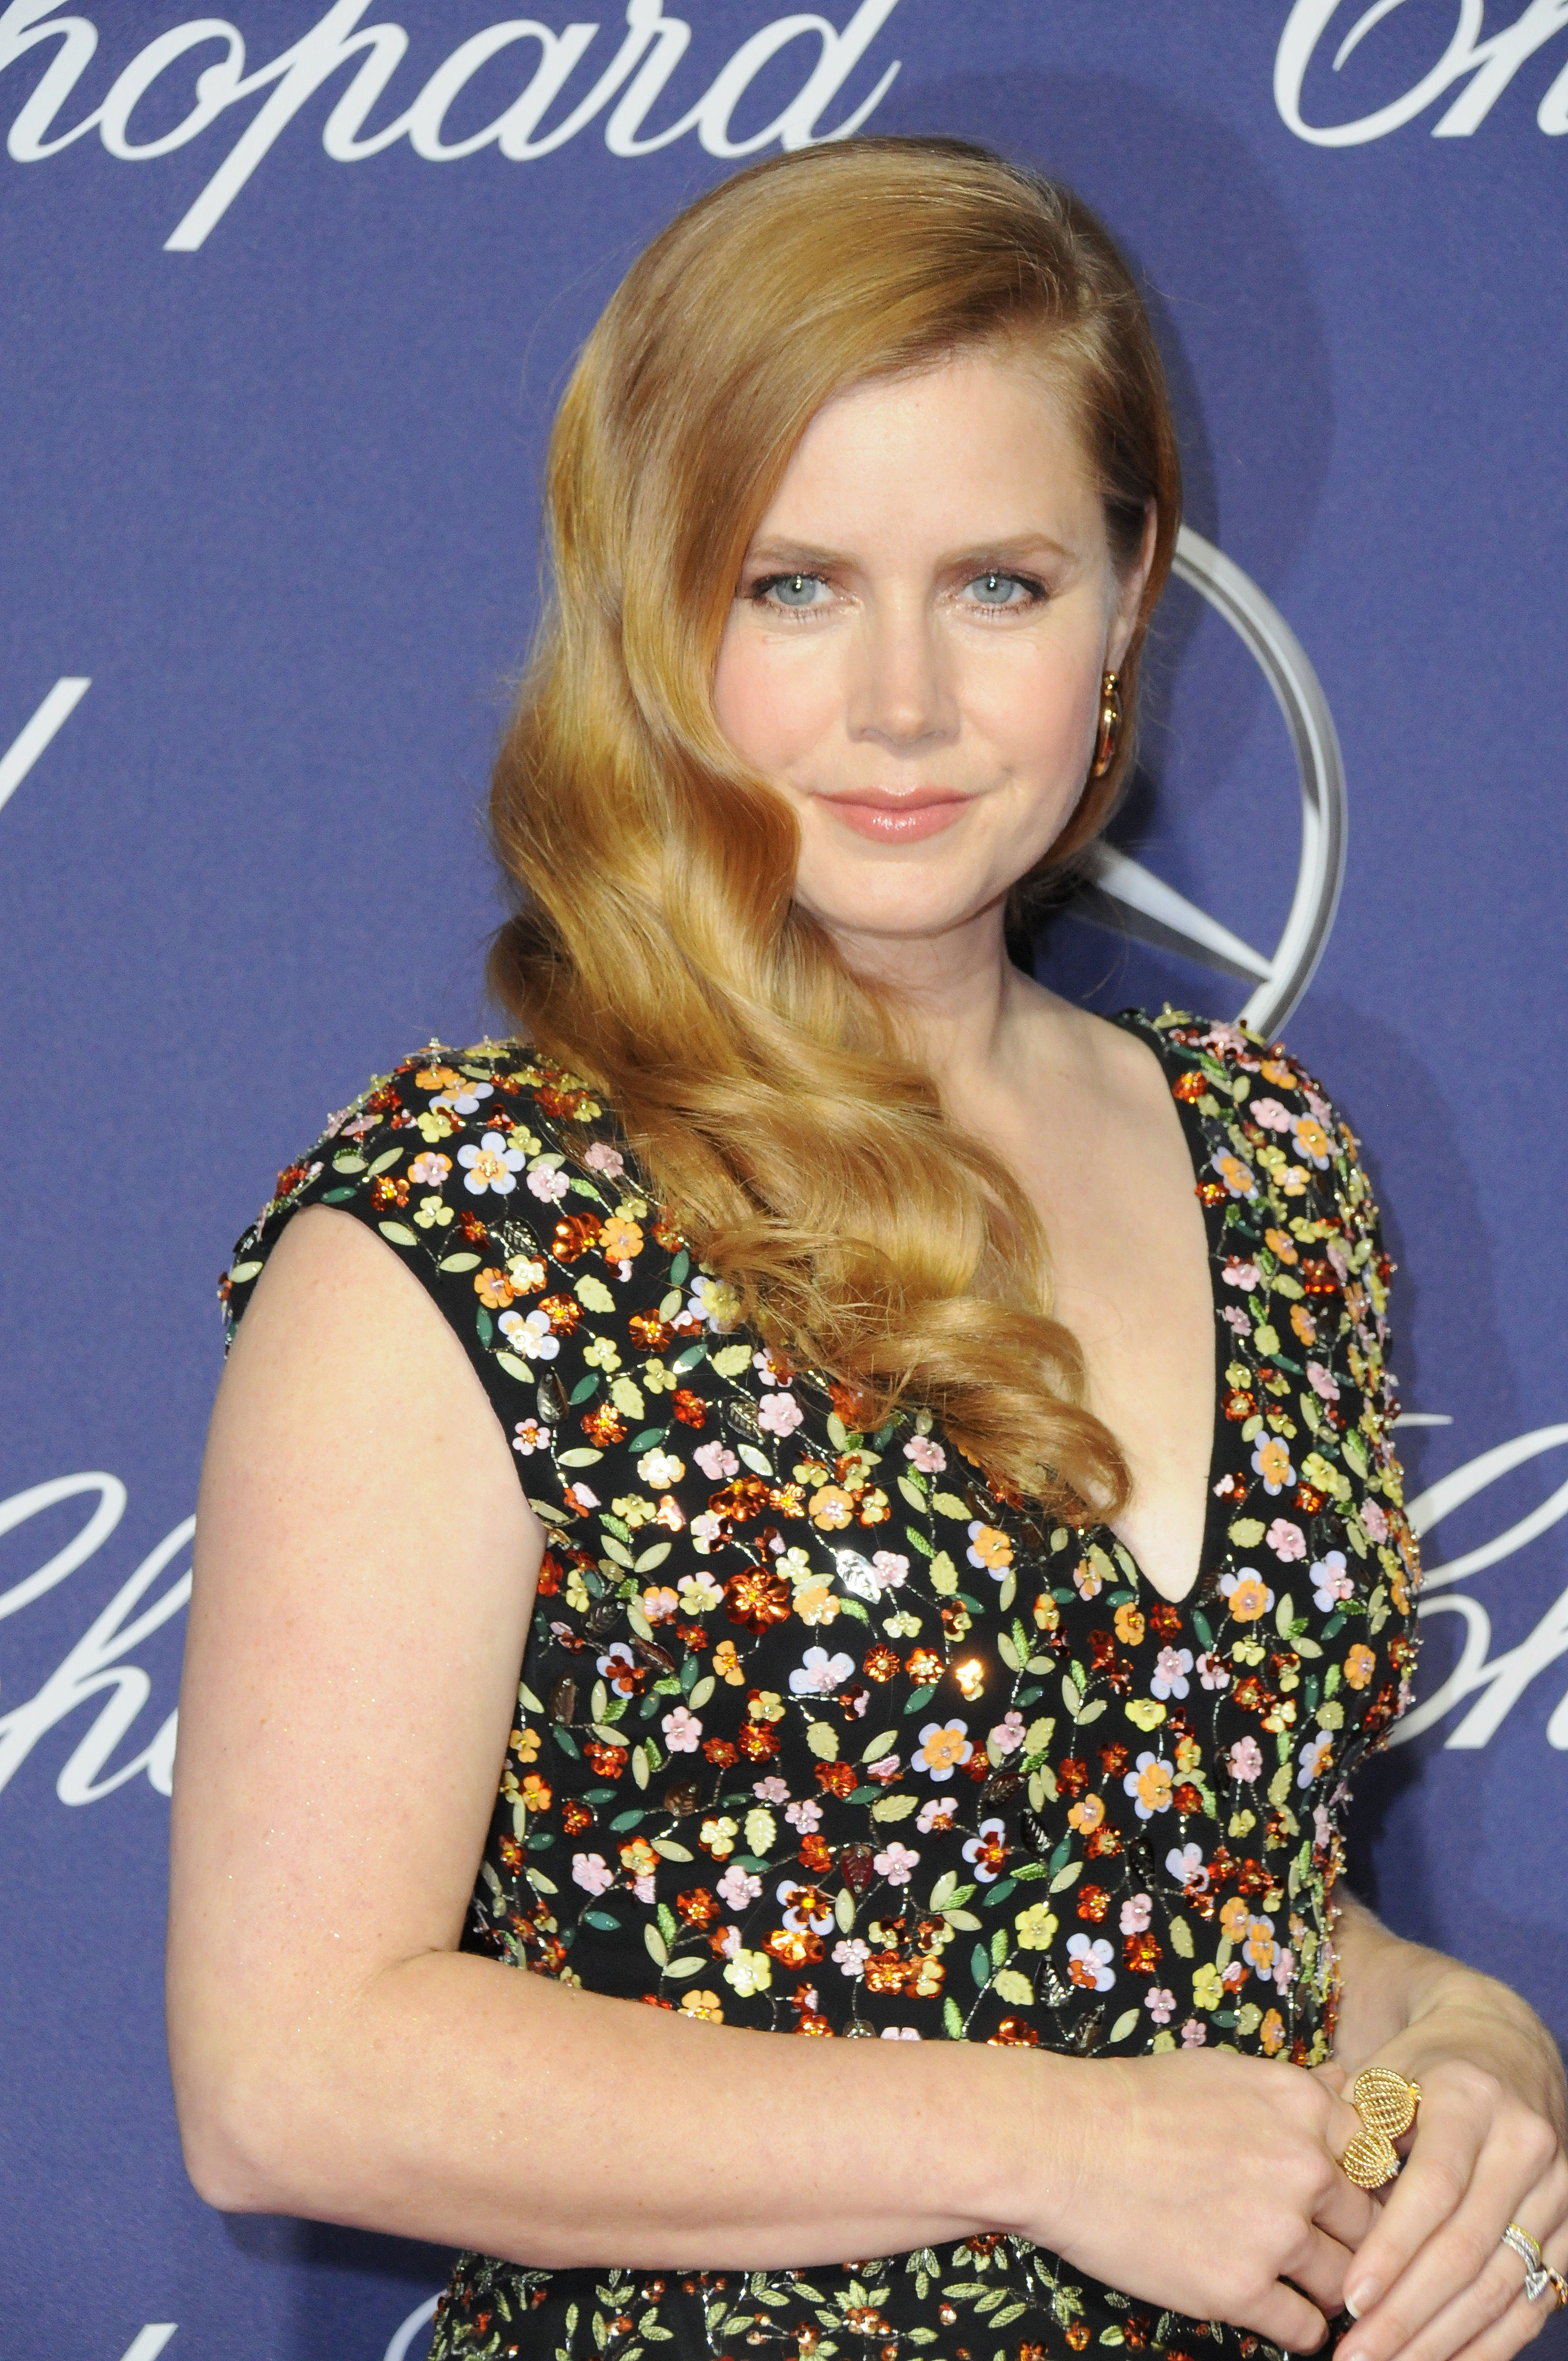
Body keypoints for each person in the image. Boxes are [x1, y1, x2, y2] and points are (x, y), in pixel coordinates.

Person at [166, 138, 1567, 2361]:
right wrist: (1044, 2141)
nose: (901, 702)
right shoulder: (478, 1213)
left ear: (1131, 601)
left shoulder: (1272, 1162)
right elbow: (290, 2072)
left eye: (998, 584)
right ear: (653, 609)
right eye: (794, 585)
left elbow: (1185, 1895)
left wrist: (1458, 2041)